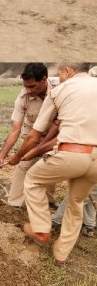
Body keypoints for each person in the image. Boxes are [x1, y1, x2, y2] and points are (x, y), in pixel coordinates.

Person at [14, 62, 97, 266]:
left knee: (32, 179)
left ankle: (41, 230)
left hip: (71, 153)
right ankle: (61, 254)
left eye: (59, 73)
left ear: (67, 70)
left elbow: (35, 135)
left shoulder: (61, 90)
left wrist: (17, 156)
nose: (57, 78)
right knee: (76, 202)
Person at [0, 63, 58, 208]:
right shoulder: (23, 97)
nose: (28, 90)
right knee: (23, 165)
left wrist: (44, 146)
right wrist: (1, 156)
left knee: (50, 163)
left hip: (54, 136)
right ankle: (14, 203)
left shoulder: (59, 90)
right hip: (31, 135)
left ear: (44, 80)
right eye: (25, 86)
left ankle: (49, 200)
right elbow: (15, 129)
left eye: (32, 86)